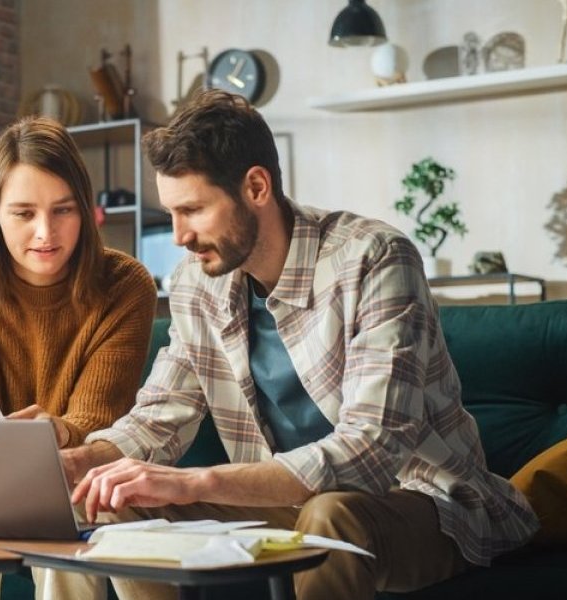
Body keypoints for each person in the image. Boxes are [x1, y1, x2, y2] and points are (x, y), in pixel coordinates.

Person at [48, 91, 538, 600]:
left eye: (192, 209)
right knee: (105, 500)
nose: (178, 237)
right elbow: (159, 415)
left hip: (419, 501)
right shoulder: (197, 285)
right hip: (282, 508)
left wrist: (196, 482)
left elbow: (372, 450)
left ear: (256, 186)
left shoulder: (373, 259)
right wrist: (79, 462)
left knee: (331, 514)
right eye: (171, 212)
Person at [0, 116, 157, 448]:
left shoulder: (126, 284)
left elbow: (98, 422)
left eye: (63, 210)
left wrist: (60, 430)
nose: (45, 233)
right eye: (24, 214)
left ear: (84, 211)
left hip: (82, 478)